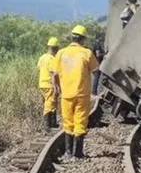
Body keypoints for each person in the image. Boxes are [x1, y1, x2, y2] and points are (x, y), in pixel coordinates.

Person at [50, 24, 99, 160]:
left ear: (72, 38)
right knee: (80, 121)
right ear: (83, 39)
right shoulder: (87, 53)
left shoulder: (60, 53)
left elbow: (54, 74)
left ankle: (68, 153)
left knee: (68, 122)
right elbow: (96, 71)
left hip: (66, 94)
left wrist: (56, 87)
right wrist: (94, 91)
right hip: (82, 94)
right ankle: (78, 154)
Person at [37, 37, 60, 130]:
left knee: (51, 102)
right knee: (49, 104)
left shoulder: (42, 57)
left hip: (42, 84)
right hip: (49, 84)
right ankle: (47, 125)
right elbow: (53, 74)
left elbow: (39, 69)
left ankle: (52, 123)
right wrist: (55, 87)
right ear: (54, 48)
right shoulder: (52, 59)